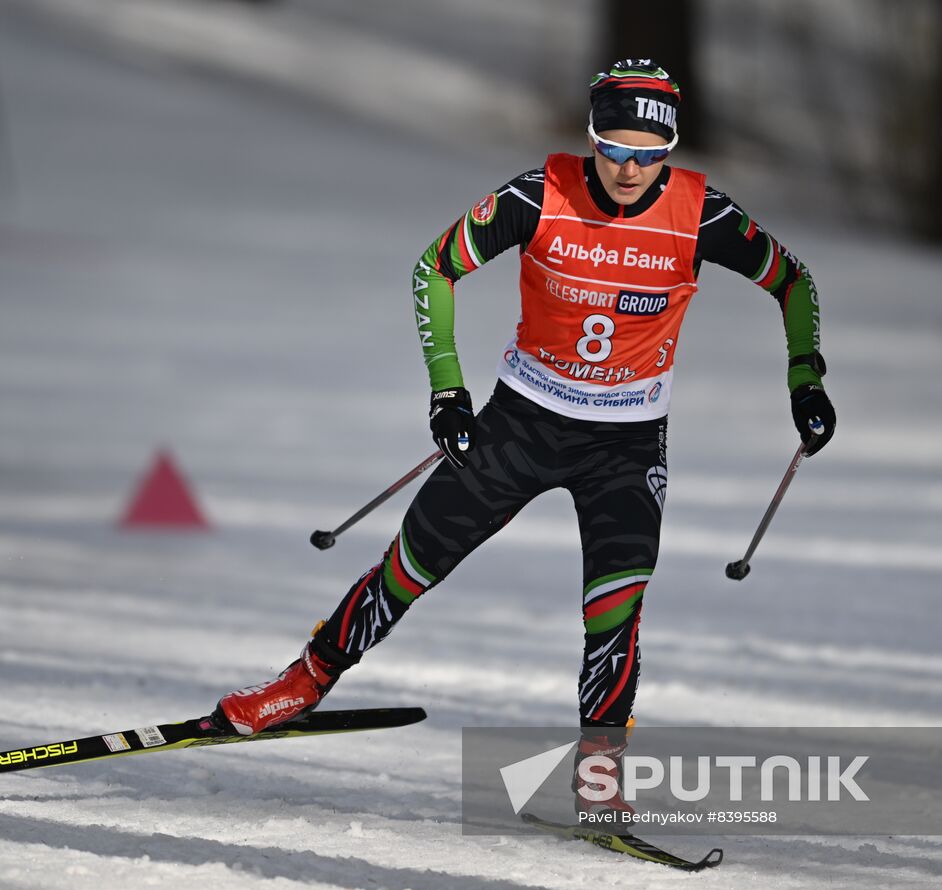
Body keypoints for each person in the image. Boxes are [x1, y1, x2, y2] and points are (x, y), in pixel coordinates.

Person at [208, 59, 835, 813]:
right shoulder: (541, 196)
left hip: (626, 445)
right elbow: (434, 269)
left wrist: (805, 379)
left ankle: (599, 779)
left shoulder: (700, 214)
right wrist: (448, 389)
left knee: (615, 605)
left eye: (649, 154)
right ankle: (301, 682)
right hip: (521, 424)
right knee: (410, 566)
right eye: (613, 149)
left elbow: (793, 282)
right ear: (592, 138)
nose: (630, 169)